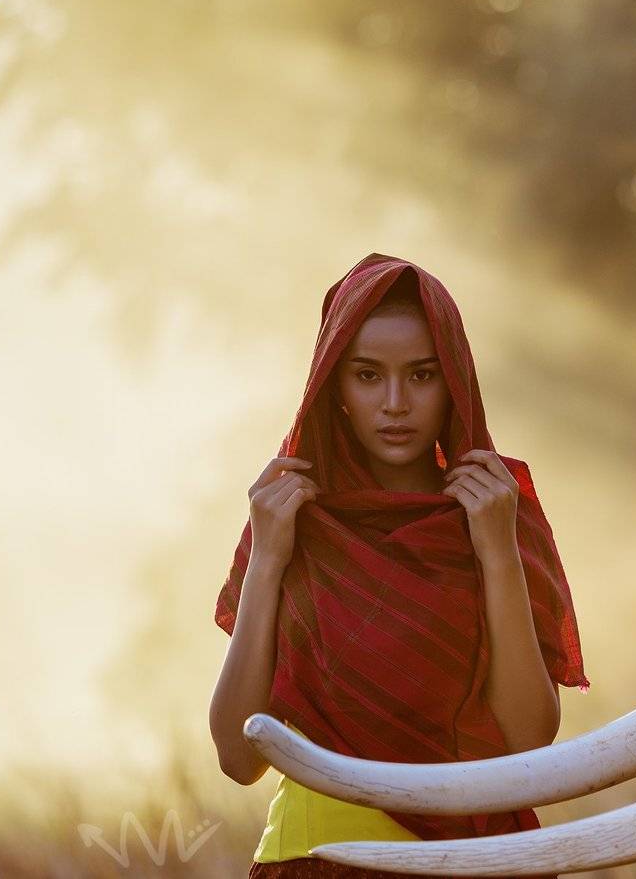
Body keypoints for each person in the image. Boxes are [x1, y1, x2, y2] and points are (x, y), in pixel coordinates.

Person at [209, 253, 589, 879]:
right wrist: (268, 559)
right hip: (320, 862)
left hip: (476, 864)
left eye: (421, 375)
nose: (394, 403)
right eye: (367, 375)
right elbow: (238, 755)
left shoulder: (497, 510)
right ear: (334, 386)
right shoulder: (287, 517)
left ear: (455, 382)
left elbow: (527, 739)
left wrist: (497, 552)